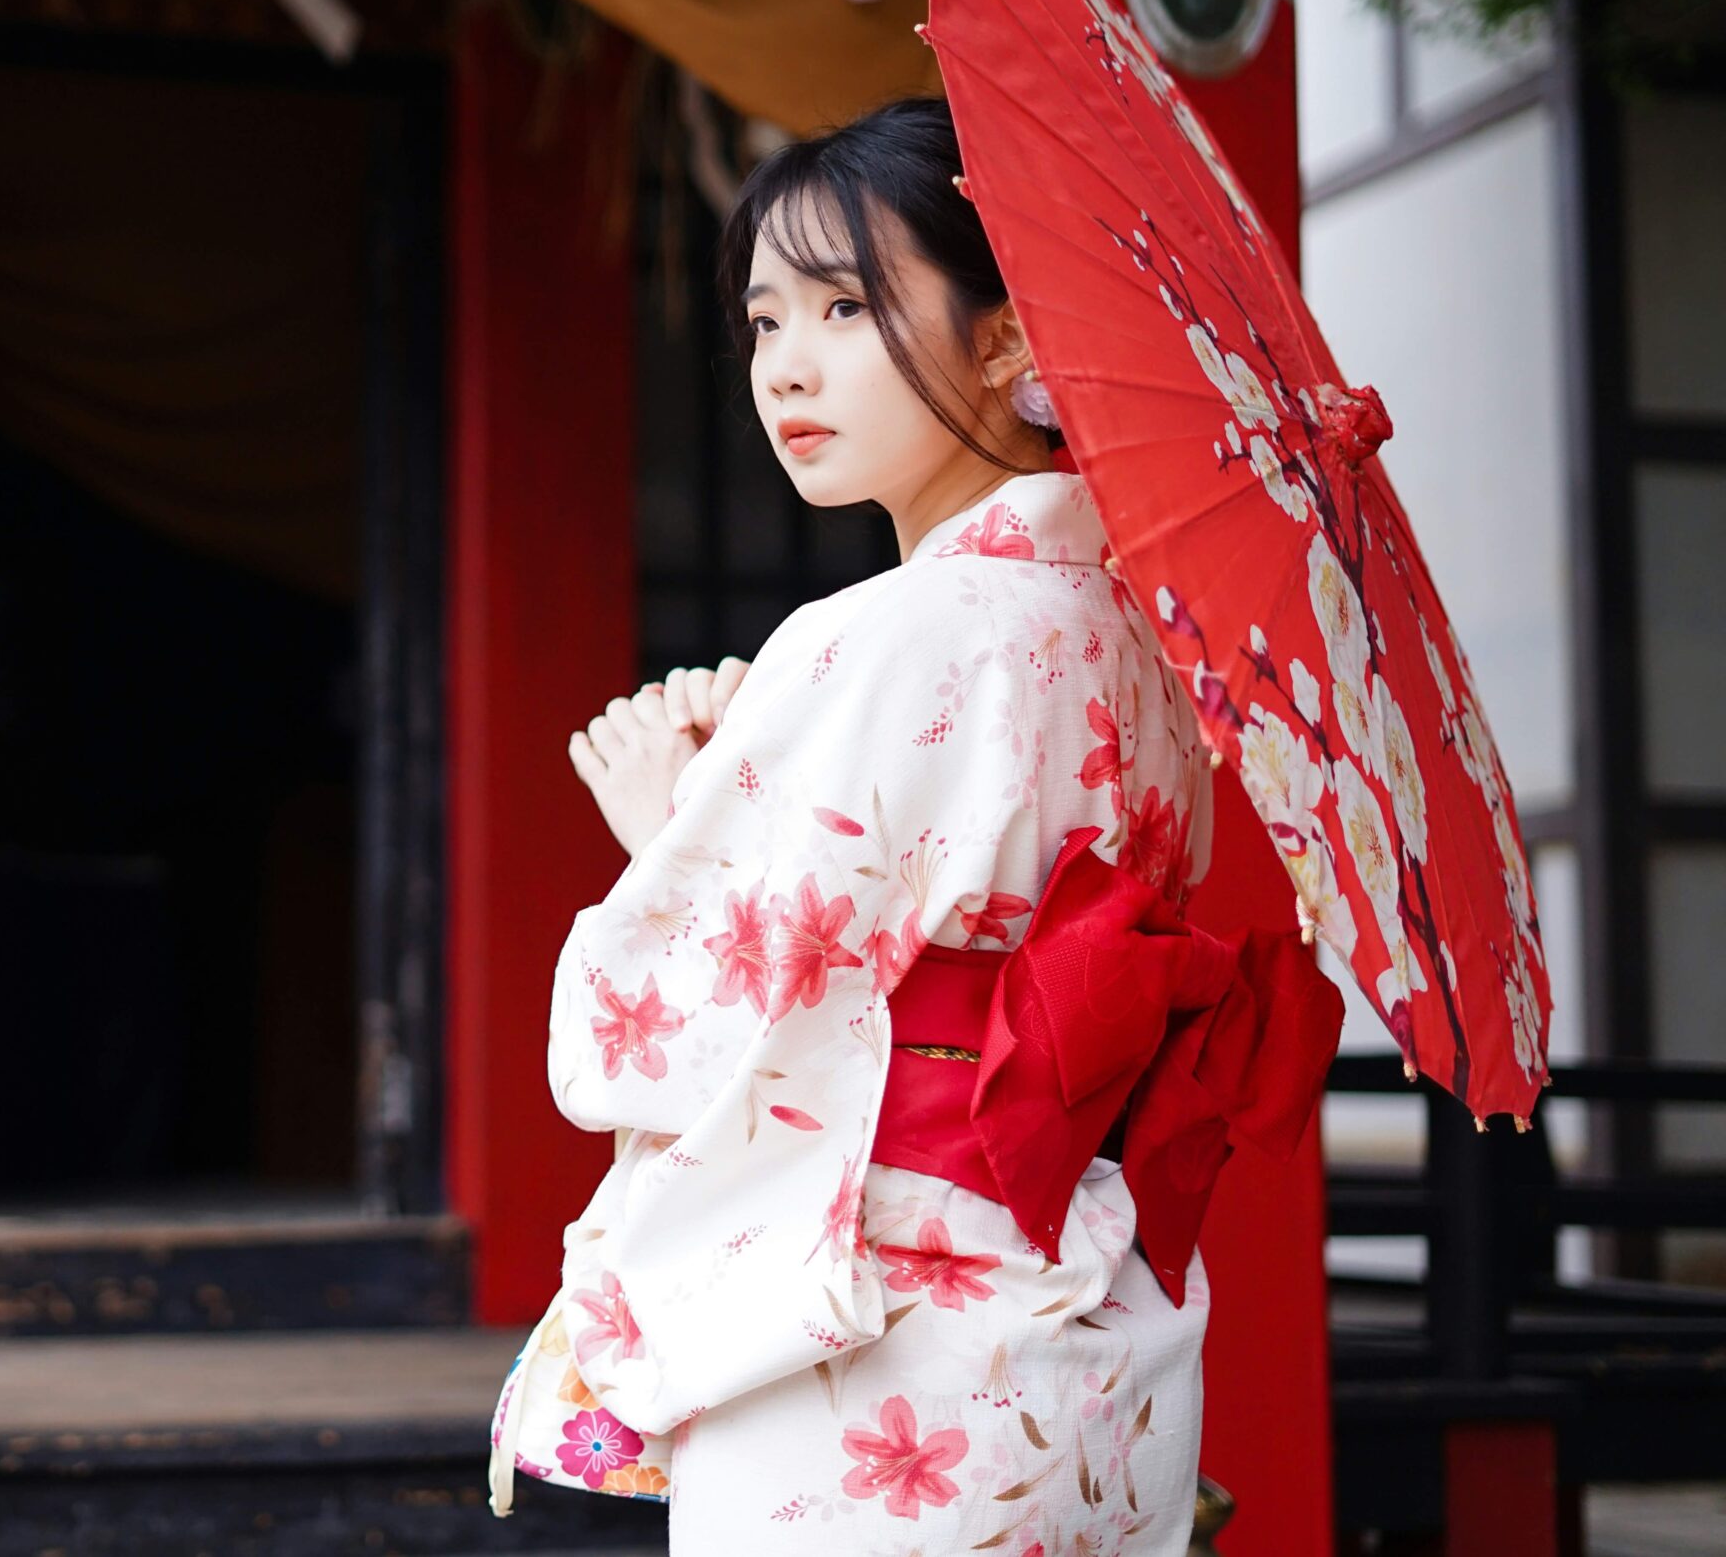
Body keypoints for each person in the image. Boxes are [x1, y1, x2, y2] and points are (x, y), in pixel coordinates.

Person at [485, 96, 1335, 1553]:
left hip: (877, 1365)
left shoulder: (878, 636)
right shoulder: (1145, 642)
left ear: (1007, 342)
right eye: (763, 322)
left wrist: (665, 825)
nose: (787, 367)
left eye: (846, 306)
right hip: (1092, 1338)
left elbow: (665, 1031)